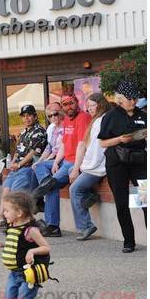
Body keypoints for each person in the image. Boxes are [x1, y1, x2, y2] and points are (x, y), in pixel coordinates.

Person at [32, 94, 92, 237]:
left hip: (75, 162)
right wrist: (57, 162)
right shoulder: (66, 122)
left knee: (50, 186)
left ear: (77, 102)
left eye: (71, 103)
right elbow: (63, 145)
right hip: (65, 161)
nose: (68, 107)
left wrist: (76, 168)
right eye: (65, 104)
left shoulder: (83, 118)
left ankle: (50, 221)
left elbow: (82, 144)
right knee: (40, 168)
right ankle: (41, 199)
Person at [97, 80, 147, 253]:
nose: (133, 101)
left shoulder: (143, 114)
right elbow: (102, 143)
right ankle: (129, 241)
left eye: (135, 98)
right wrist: (119, 139)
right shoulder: (111, 117)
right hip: (117, 163)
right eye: (129, 98)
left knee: (147, 199)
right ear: (120, 99)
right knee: (122, 201)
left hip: (139, 161)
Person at [0, 104, 46, 229]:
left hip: (28, 168)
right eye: (24, 116)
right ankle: (0, 217)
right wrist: (13, 163)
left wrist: (19, 164)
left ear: (35, 116)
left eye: (29, 115)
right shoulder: (24, 132)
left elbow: (34, 152)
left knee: (15, 196)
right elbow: (18, 151)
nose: (26, 118)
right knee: (6, 191)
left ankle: (16, 222)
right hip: (17, 168)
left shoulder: (39, 131)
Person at [69, 93, 111, 241]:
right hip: (93, 164)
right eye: (87, 107)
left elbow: (97, 149)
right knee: (70, 171)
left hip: (97, 167)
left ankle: (86, 226)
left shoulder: (101, 121)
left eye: (91, 106)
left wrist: (83, 167)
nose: (89, 109)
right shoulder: (97, 120)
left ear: (100, 104)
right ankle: (90, 194)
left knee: (74, 189)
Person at [31, 102, 64, 171]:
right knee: (34, 166)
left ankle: (48, 181)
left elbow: (60, 148)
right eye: (50, 116)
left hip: (62, 158)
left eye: (55, 114)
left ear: (60, 113)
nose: (53, 117)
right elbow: (49, 147)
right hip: (53, 158)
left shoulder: (66, 126)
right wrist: (39, 161)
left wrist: (47, 159)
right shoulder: (52, 128)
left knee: (39, 167)